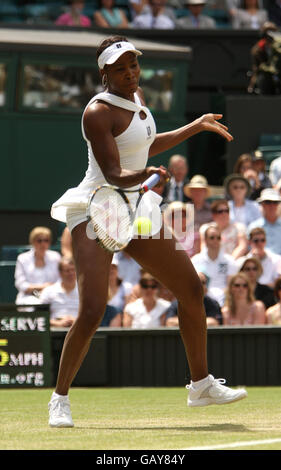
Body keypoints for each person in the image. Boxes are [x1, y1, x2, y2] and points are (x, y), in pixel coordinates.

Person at [48, 35, 246, 427]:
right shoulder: (97, 112)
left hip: (135, 205)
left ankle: (201, 385)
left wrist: (196, 126)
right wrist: (150, 175)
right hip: (99, 206)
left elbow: (145, 146)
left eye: (134, 65)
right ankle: (60, 398)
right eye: (120, 69)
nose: (130, 74)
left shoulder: (136, 99)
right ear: (104, 73)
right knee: (91, 310)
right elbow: (115, 173)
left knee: (191, 289)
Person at [191, 225, 238, 306]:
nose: (215, 240)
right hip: (202, 299)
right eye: (212, 237)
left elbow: (231, 285)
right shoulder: (196, 260)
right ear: (205, 240)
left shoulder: (230, 260)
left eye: (218, 238)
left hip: (224, 299)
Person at [15, 227, 61, 306]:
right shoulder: (22, 258)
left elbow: (60, 281)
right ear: (32, 242)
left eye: (46, 240)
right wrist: (44, 287)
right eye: (39, 240)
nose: (43, 244)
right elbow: (21, 285)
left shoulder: (56, 257)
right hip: (27, 298)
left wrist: (48, 290)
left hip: (52, 297)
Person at [39, 257, 79, 327]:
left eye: (73, 270)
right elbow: (40, 316)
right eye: (67, 271)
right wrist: (57, 323)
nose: (71, 273)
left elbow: (91, 316)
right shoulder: (48, 291)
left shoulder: (84, 292)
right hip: (54, 332)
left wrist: (76, 321)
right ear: (60, 273)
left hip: (80, 330)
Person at [248, 21, 280, 95]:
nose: (270, 34)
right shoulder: (258, 49)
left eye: (272, 31)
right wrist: (252, 84)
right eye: (267, 32)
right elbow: (256, 68)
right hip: (266, 76)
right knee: (263, 79)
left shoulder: (279, 46)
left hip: (279, 74)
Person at [183, 174, 213, 254]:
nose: (197, 192)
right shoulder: (183, 209)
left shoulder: (212, 210)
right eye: (194, 190)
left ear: (205, 192)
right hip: (187, 246)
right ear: (191, 192)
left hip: (207, 246)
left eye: (200, 190)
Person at [248, 188, 281, 255]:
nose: (272, 206)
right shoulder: (254, 227)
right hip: (260, 262)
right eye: (268, 202)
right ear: (262, 204)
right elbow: (250, 249)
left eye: (275, 202)